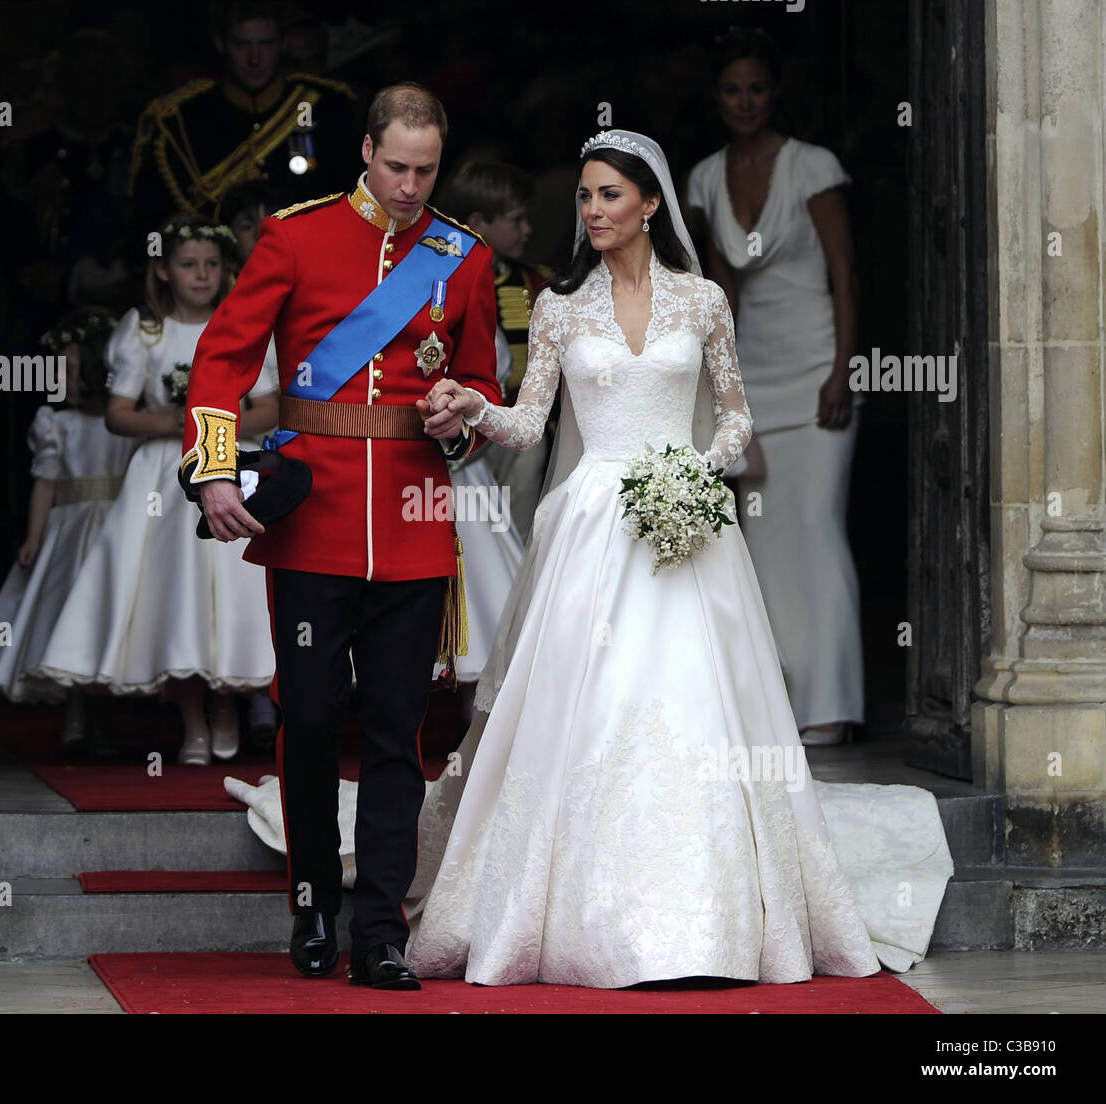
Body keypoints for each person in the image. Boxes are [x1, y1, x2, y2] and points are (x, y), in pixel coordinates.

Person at [398, 130, 950, 988]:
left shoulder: (702, 303)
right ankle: (579, 921)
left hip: (685, 523)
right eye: (583, 197)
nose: (592, 211)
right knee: (585, 709)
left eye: (609, 195)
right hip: (589, 525)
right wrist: (474, 402)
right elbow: (528, 421)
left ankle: (711, 925)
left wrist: (694, 469)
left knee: (698, 708)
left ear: (650, 203)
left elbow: (736, 418)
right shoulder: (558, 308)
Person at [182, 83, 501, 989]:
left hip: (412, 520)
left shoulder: (464, 257)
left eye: (426, 170)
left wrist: (462, 417)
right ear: (365, 151)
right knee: (314, 717)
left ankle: (383, 931)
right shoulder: (296, 234)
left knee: (399, 730)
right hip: (313, 520)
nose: (409, 186)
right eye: (396, 166)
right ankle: (314, 904)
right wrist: (213, 468)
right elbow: (225, 355)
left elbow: (480, 386)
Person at [33, 215, 280, 764]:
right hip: (165, 478)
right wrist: (176, 421)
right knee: (174, 592)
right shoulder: (144, 331)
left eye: (212, 265)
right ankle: (191, 717)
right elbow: (118, 414)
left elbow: (271, 403)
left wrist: (219, 420)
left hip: (229, 462)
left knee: (231, 588)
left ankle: (227, 706)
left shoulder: (242, 324)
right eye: (189, 266)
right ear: (164, 271)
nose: (202, 276)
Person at [686, 27, 864, 746]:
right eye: (732, 89)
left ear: (775, 93)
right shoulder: (703, 177)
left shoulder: (812, 165)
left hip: (819, 363)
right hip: (752, 366)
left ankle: (832, 704)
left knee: (816, 530)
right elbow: (717, 290)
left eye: (757, 88)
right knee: (759, 539)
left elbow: (846, 273)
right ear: (717, 98)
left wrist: (844, 369)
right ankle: (780, 704)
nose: (746, 101)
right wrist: (727, 392)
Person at [0, 308, 137, 753]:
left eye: (76, 370)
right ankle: (76, 716)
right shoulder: (55, 422)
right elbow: (46, 483)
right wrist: (34, 537)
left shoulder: (129, 423)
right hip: (70, 531)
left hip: (117, 529)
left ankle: (107, 720)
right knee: (68, 621)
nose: (67, 381)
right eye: (60, 371)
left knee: (106, 620)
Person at [127, 1, 359, 239]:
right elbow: (150, 224)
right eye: (242, 45)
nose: (255, 59)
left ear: (284, 43)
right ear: (221, 44)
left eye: (266, 44)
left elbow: (355, 202)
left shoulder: (326, 106)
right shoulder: (181, 119)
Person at [440, 162, 554, 543]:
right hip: (465, 427)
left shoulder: (537, 281)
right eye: (516, 220)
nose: (528, 230)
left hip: (521, 423)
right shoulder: (444, 276)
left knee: (521, 517)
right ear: (479, 221)